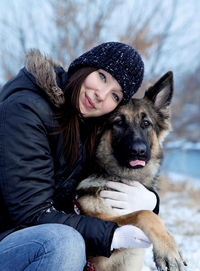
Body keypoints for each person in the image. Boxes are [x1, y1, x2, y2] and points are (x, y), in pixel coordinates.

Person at [0, 42, 159, 271]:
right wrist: (110, 235)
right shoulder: (25, 110)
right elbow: (31, 213)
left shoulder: (86, 123)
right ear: (84, 66)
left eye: (115, 95)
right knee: (65, 242)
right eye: (102, 77)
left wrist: (151, 201)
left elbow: (103, 177)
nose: (101, 95)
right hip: (12, 239)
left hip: (31, 238)